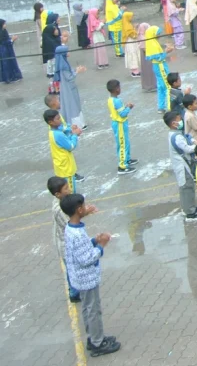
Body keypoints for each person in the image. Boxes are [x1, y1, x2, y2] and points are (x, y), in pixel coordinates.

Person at [61, 193, 120, 356]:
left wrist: (94, 240)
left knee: (88, 309)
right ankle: (97, 342)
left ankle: (95, 337)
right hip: (86, 279)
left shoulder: (72, 228)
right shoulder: (77, 234)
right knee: (93, 310)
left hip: (81, 278)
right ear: (79, 210)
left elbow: (82, 249)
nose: (87, 208)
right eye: (84, 206)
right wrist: (101, 245)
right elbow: (86, 258)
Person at [49, 176, 84, 302]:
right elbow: (72, 222)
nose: (69, 190)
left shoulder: (60, 201)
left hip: (65, 241)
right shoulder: (59, 210)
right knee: (71, 269)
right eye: (66, 188)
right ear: (57, 194)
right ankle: (74, 293)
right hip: (66, 245)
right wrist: (84, 212)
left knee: (72, 267)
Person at [167, 110, 197, 222]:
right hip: (182, 167)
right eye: (179, 120)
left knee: (188, 186)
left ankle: (189, 208)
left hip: (183, 165)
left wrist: (193, 140)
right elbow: (187, 148)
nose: (181, 121)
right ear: (174, 123)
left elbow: (186, 138)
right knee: (186, 187)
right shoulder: (176, 137)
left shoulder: (175, 133)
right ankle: (190, 213)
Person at [47, 109, 82, 193]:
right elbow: (71, 146)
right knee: (70, 192)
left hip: (61, 166)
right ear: (51, 122)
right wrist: (75, 135)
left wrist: (71, 132)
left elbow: (65, 142)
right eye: (58, 119)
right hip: (66, 167)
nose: (60, 120)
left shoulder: (53, 132)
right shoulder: (58, 134)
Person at [54, 39, 87, 128]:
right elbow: (70, 77)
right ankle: (76, 124)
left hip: (69, 88)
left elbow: (70, 72)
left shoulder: (64, 62)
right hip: (68, 89)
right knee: (72, 105)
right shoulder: (63, 66)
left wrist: (75, 70)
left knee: (74, 104)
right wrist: (77, 72)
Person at [106, 79, 136, 174]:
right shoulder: (117, 101)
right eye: (119, 87)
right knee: (123, 144)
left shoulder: (111, 99)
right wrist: (129, 108)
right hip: (120, 124)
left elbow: (119, 110)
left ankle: (127, 159)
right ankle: (122, 166)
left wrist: (125, 106)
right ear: (116, 89)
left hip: (118, 123)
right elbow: (123, 114)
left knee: (125, 143)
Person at [144, 26, 172, 111]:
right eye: (157, 33)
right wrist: (167, 51)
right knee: (167, 86)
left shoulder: (151, 42)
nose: (159, 35)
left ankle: (161, 106)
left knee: (160, 87)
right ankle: (169, 106)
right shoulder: (153, 44)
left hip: (157, 67)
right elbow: (159, 58)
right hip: (160, 66)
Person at [0, 19, 22, 83]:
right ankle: (10, 77)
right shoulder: (2, 32)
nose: (5, 25)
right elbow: (4, 42)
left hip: (5, 49)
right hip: (5, 50)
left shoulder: (4, 31)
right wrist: (12, 40)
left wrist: (11, 39)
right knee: (8, 63)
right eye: (4, 24)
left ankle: (7, 77)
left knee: (6, 63)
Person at [136, 23, 156, 92]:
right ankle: (150, 86)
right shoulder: (144, 38)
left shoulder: (141, 36)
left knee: (147, 72)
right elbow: (145, 48)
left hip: (145, 56)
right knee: (149, 71)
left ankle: (148, 85)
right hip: (147, 57)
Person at [44, 11, 64, 75]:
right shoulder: (50, 31)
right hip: (53, 56)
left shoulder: (55, 28)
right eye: (58, 18)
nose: (59, 19)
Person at [121, 11, 140, 77]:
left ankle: (134, 71)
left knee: (132, 55)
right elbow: (133, 35)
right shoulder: (128, 26)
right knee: (133, 55)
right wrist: (136, 30)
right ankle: (135, 72)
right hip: (131, 42)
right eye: (131, 17)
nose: (132, 18)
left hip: (129, 42)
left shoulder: (126, 24)